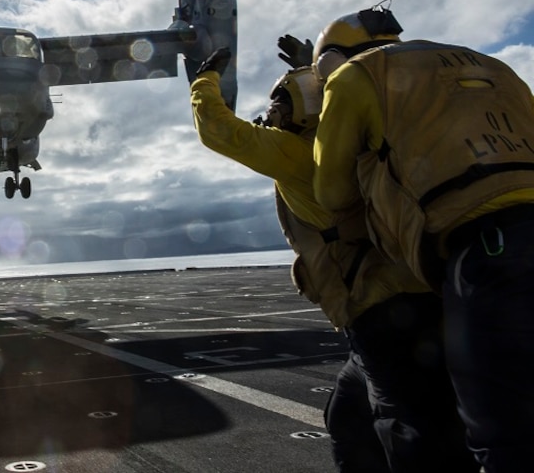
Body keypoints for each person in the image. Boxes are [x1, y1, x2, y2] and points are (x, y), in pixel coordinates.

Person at [191, 44, 472, 472]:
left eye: (281, 102)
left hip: (384, 314)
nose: (272, 110)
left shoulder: (300, 152)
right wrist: (316, 71)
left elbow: (219, 129)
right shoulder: (360, 141)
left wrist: (203, 80)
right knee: (350, 418)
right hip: (416, 302)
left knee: (412, 434)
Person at [312, 4, 534, 472]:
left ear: (330, 59)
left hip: (489, 253)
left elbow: (330, 191)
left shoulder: (353, 76)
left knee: (502, 438)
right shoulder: (493, 65)